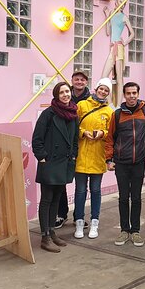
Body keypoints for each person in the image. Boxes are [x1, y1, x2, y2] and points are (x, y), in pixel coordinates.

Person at [32, 82, 79, 253]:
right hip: (50, 162)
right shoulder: (48, 114)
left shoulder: (73, 113)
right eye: (62, 92)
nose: (66, 95)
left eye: (67, 91)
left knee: (57, 199)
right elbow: (37, 139)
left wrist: (73, 156)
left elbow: (74, 139)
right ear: (56, 95)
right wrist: (42, 158)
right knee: (47, 199)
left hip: (65, 163)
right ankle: (44, 237)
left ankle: (52, 232)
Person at [105, 82, 145, 247]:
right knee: (124, 198)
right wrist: (109, 160)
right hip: (121, 163)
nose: (132, 96)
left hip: (139, 162)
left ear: (138, 94)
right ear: (124, 95)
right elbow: (110, 138)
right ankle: (125, 230)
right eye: (128, 93)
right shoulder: (117, 115)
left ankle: (136, 231)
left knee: (137, 198)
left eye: (134, 93)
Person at [73, 78, 114, 240]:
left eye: (106, 91)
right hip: (81, 156)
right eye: (101, 89)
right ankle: (79, 222)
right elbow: (72, 126)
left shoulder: (109, 112)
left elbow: (111, 134)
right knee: (80, 191)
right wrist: (83, 132)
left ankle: (95, 222)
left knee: (96, 191)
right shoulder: (82, 105)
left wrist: (102, 134)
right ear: (96, 88)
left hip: (98, 156)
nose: (103, 92)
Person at [55, 69, 92, 230]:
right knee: (61, 182)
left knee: (81, 186)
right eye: (76, 79)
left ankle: (79, 217)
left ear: (86, 82)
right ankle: (62, 214)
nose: (79, 82)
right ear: (72, 80)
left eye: (82, 80)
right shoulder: (64, 97)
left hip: (84, 146)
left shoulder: (92, 99)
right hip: (64, 146)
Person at [100, 0, 134, 105]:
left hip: (119, 47)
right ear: (116, 2)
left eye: (124, 3)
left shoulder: (124, 17)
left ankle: (118, 105)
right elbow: (108, 32)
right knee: (103, 78)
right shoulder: (111, 13)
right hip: (112, 48)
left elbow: (132, 34)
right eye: (120, 2)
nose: (122, 4)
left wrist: (125, 43)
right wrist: (106, 16)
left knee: (119, 78)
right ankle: (110, 104)